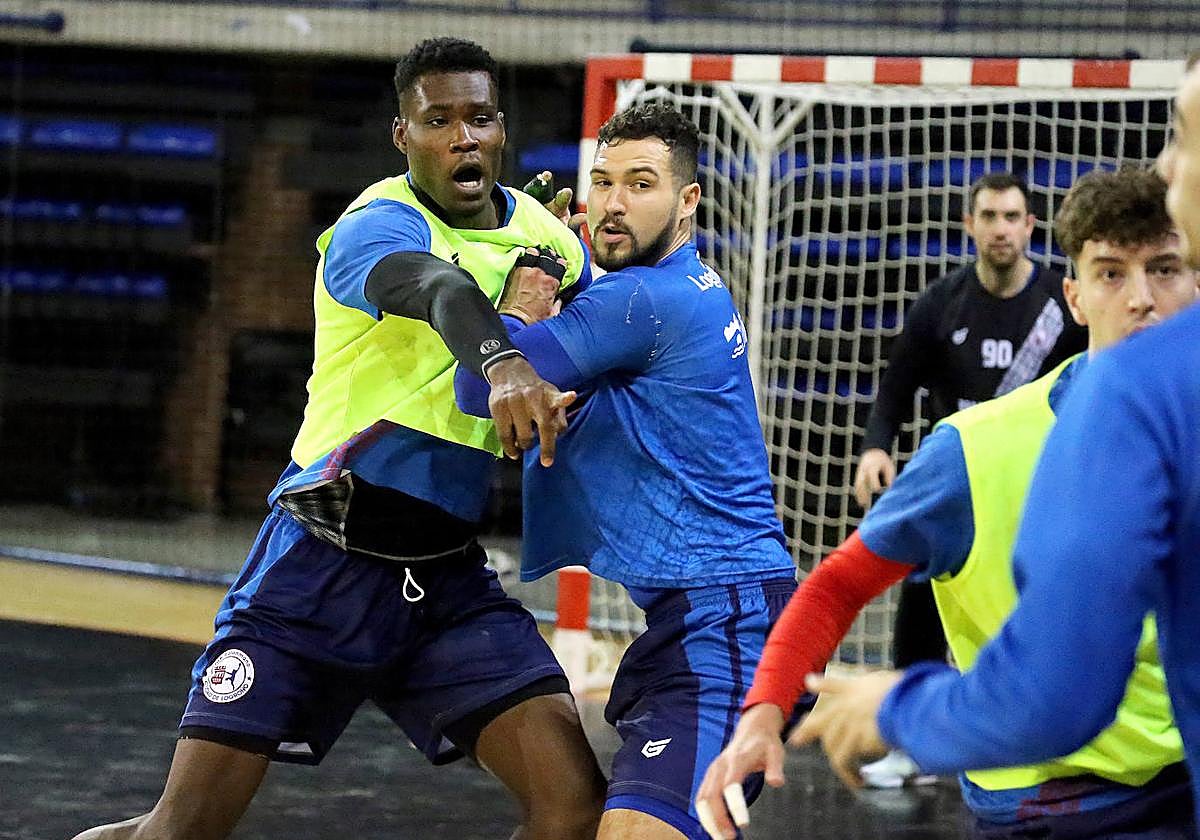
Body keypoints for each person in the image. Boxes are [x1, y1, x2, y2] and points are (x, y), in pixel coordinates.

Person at [69, 37, 608, 840]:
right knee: (179, 831)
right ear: (404, 136)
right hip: (319, 565)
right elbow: (439, 283)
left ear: (502, 129)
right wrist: (503, 365)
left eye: (480, 118)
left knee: (572, 808)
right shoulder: (374, 223)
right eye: (439, 121)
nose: (463, 137)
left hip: (445, 584)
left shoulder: (549, 239)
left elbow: (599, 333)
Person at [694, 166, 1197, 840]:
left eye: (1164, 270)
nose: (1142, 299)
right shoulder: (972, 449)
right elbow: (836, 583)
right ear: (1074, 297)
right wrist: (763, 711)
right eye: (1112, 273)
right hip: (1056, 800)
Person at [454, 103, 799, 840]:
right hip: (707, 615)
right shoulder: (679, 285)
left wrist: (522, 298)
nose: (612, 203)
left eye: (641, 184)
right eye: (602, 181)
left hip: (723, 621)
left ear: (688, 201)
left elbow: (477, 387)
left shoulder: (641, 299)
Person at [853, 173, 1088, 785]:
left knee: (1042, 610)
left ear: (1030, 227)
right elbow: (898, 382)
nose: (1001, 228)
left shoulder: (1064, 308)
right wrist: (876, 447)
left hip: (1044, 487)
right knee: (921, 597)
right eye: (989, 215)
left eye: (1012, 216)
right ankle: (913, 744)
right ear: (970, 225)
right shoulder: (943, 302)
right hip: (959, 486)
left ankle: (1047, 740)